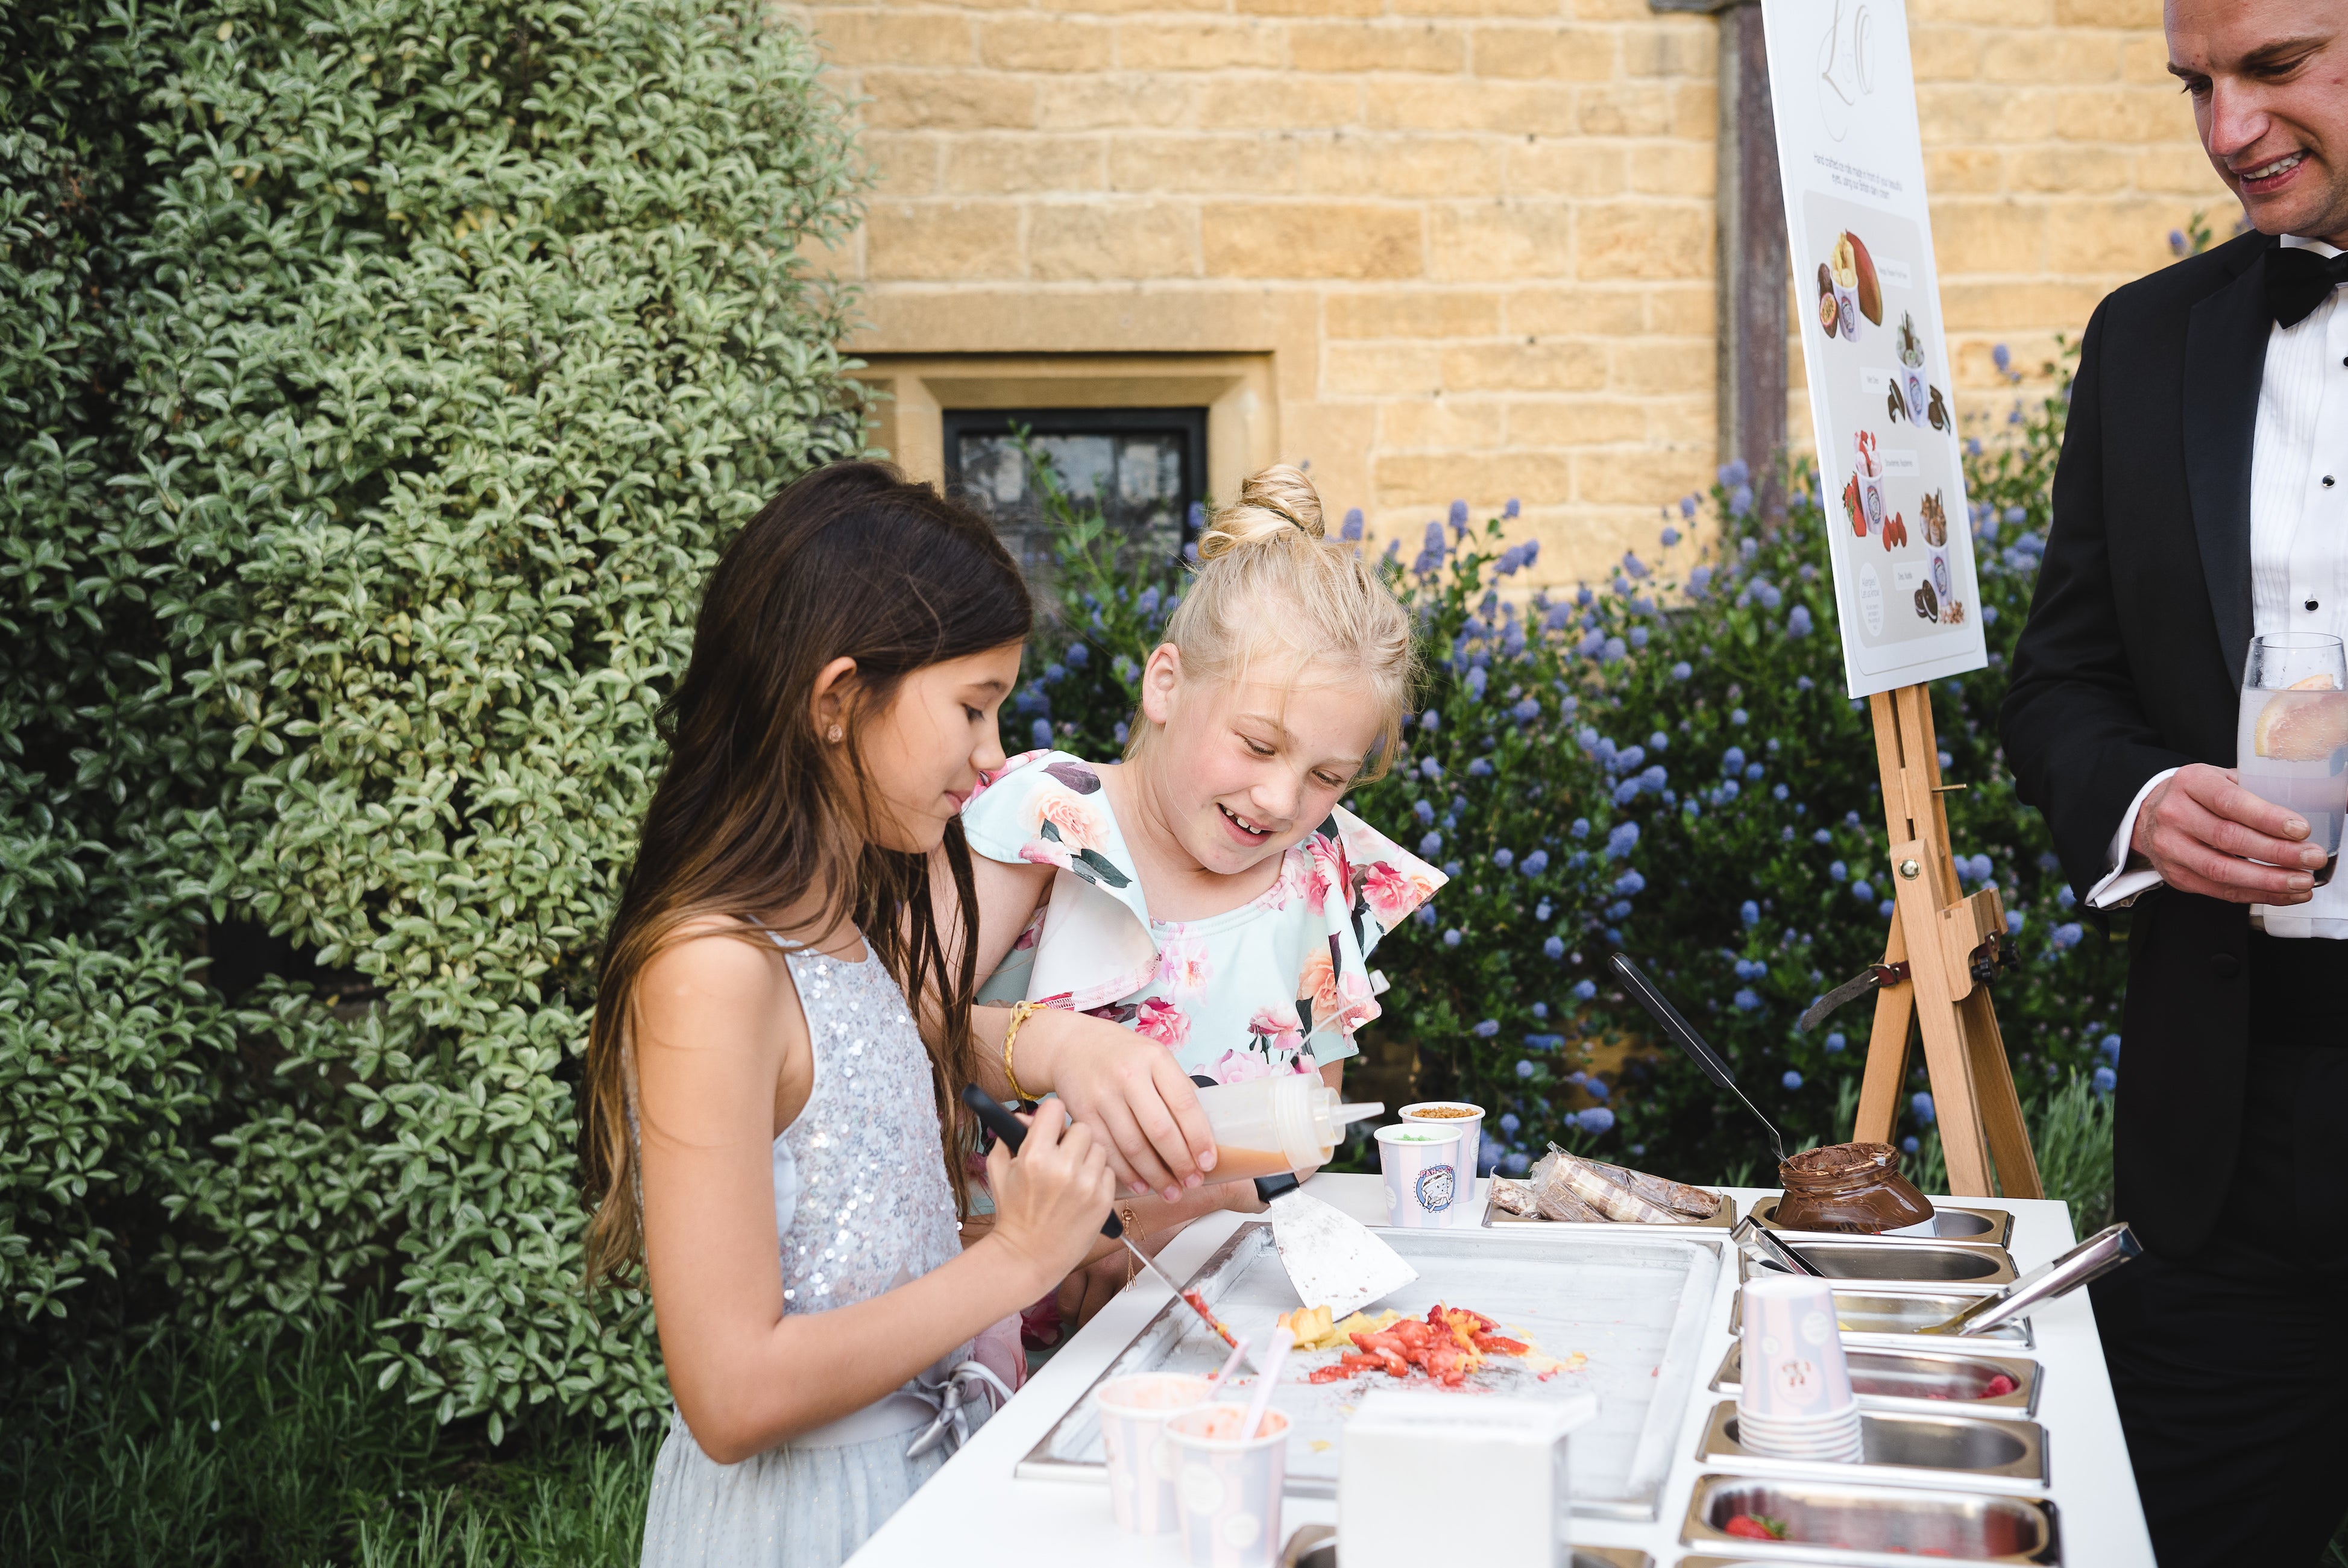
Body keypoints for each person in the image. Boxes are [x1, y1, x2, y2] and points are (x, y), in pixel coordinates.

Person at [577, 463, 1209, 1567]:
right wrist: (1010, 1260)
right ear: (835, 700)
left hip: (933, 1488)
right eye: (971, 705)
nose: (992, 757)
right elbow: (729, 1390)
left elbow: (866, 1261)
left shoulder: (852, 937)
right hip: (809, 1524)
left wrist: (1053, 1244)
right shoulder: (710, 969)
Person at [2001, 2, 2348, 1559]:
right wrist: (2142, 799)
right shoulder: (2145, 339)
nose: (2226, 132)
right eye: (2196, 84)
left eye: (2274, 68)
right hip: (2226, 1129)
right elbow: (2062, 682)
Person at [948, 464, 1446, 1329]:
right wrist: (1055, 1046)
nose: (1283, 800)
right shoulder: (1048, 817)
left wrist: (1144, 1224)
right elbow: (901, 1019)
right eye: (1258, 745)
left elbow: (1304, 1136)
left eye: (1328, 775)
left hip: (1200, 1321)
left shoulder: (1316, 872)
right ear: (1166, 684)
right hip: (985, 1313)